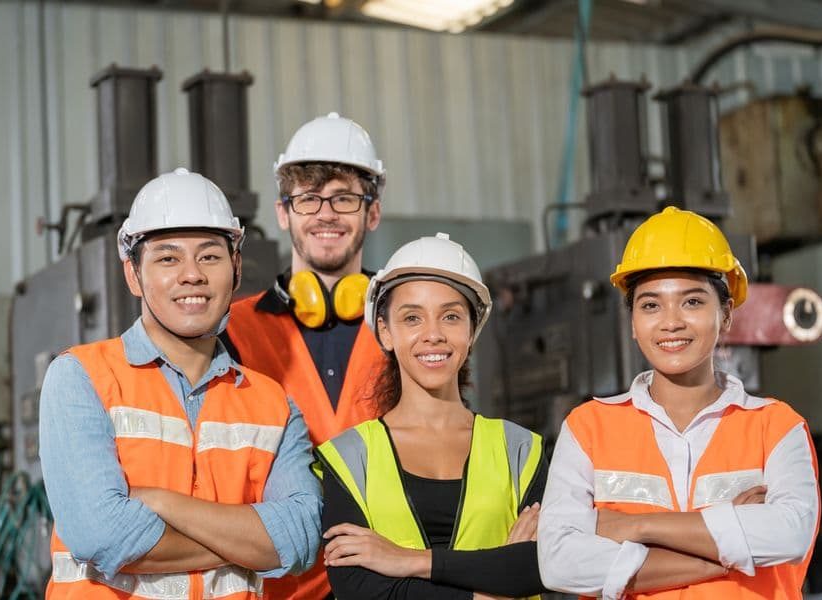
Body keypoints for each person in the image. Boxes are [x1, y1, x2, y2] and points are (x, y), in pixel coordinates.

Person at [39, 168, 322, 598]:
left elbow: (300, 539)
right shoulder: (81, 379)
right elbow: (103, 535)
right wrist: (252, 543)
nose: (192, 275)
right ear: (133, 275)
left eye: (210, 256)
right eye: (168, 258)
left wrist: (163, 502)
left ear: (237, 268)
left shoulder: (274, 406)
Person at [537, 206, 820, 599]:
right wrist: (725, 551)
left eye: (692, 302)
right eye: (651, 305)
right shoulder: (588, 429)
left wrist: (637, 526)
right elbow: (558, 562)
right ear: (633, 324)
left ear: (726, 314)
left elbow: (790, 534)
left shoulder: (776, 427)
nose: (671, 322)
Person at [315, 233, 549, 599]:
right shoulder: (347, 458)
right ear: (386, 331)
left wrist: (408, 561)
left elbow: (540, 566)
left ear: (472, 330)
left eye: (451, 316)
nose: (434, 335)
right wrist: (493, 590)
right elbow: (359, 588)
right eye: (412, 318)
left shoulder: (521, 450)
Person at [224, 113, 387, 599]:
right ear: (283, 212)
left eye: (344, 198)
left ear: (371, 213)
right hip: (275, 583)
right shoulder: (233, 330)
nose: (326, 214)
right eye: (308, 199)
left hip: (385, 580)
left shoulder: (407, 321)